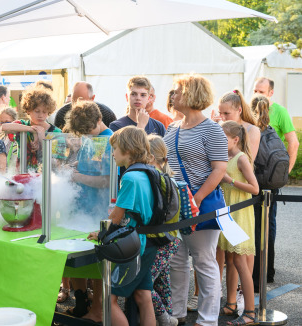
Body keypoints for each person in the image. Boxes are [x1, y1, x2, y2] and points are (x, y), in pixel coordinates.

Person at [163, 74, 227, 326]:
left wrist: (196, 199)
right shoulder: (172, 127)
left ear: (190, 94)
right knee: (176, 261)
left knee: (204, 261)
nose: (173, 95)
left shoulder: (212, 129)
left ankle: (208, 320)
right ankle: (177, 312)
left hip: (202, 204)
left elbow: (219, 169)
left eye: (177, 91)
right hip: (175, 205)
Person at [89, 126, 157, 326]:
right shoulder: (149, 171)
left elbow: (117, 216)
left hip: (133, 246)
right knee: (144, 296)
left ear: (127, 150)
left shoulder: (129, 177)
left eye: (115, 149)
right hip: (149, 243)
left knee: (107, 300)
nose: (112, 154)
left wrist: (100, 233)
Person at [63, 100, 113, 322]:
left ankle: (98, 310)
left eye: (88, 131)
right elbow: (88, 166)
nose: (86, 136)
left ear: (100, 120)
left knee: (100, 264)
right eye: (82, 133)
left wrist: (76, 176)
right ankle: (82, 300)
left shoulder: (110, 141)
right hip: (83, 209)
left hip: (100, 211)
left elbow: (106, 181)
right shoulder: (90, 138)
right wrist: (73, 169)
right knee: (76, 254)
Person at [252, 77, 299, 287]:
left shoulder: (280, 112)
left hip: (268, 180)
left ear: (271, 93)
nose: (257, 94)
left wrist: (285, 172)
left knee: (267, 225)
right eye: (254, 90)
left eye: (261, 91)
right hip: (254, 176)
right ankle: (255, 269)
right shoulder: (249, 109)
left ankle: (265, 271)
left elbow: (293, 142)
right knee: (255, 225)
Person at [218, 121, 259, 325]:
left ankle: (250, 312)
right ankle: (232, 304)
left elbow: (255, 188)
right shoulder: (227, 156)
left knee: (241, 263)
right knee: (232, 261)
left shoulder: (241, 158)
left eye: (223, 138)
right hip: (227, 214)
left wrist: (230, 180)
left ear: (235, 140)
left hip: (239, 215)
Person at [147, 135, 180, 326]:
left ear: (150, 157)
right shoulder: (168, 178)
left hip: (161, 239)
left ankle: (165, 318)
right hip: (170, 239)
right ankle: (167, 315)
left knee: (142, 284)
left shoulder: (157, 181)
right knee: (162, 281)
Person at [11, 86, 62, 172]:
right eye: (37, 111)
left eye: (45, 112)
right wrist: (32, 130)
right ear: (28, 110)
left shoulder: (56, 132)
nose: (41, 115)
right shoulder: (22, 125)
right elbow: (5, 127)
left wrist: (42, 140)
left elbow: (57, 164)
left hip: (46, 177)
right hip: (23, 176)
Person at [214, 89, 260, 159]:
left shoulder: (252, 130)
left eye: (226, 113)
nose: (222, 118)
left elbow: (249, 162)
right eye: (220, 113)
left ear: (239, 110)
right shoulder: (220, 128)